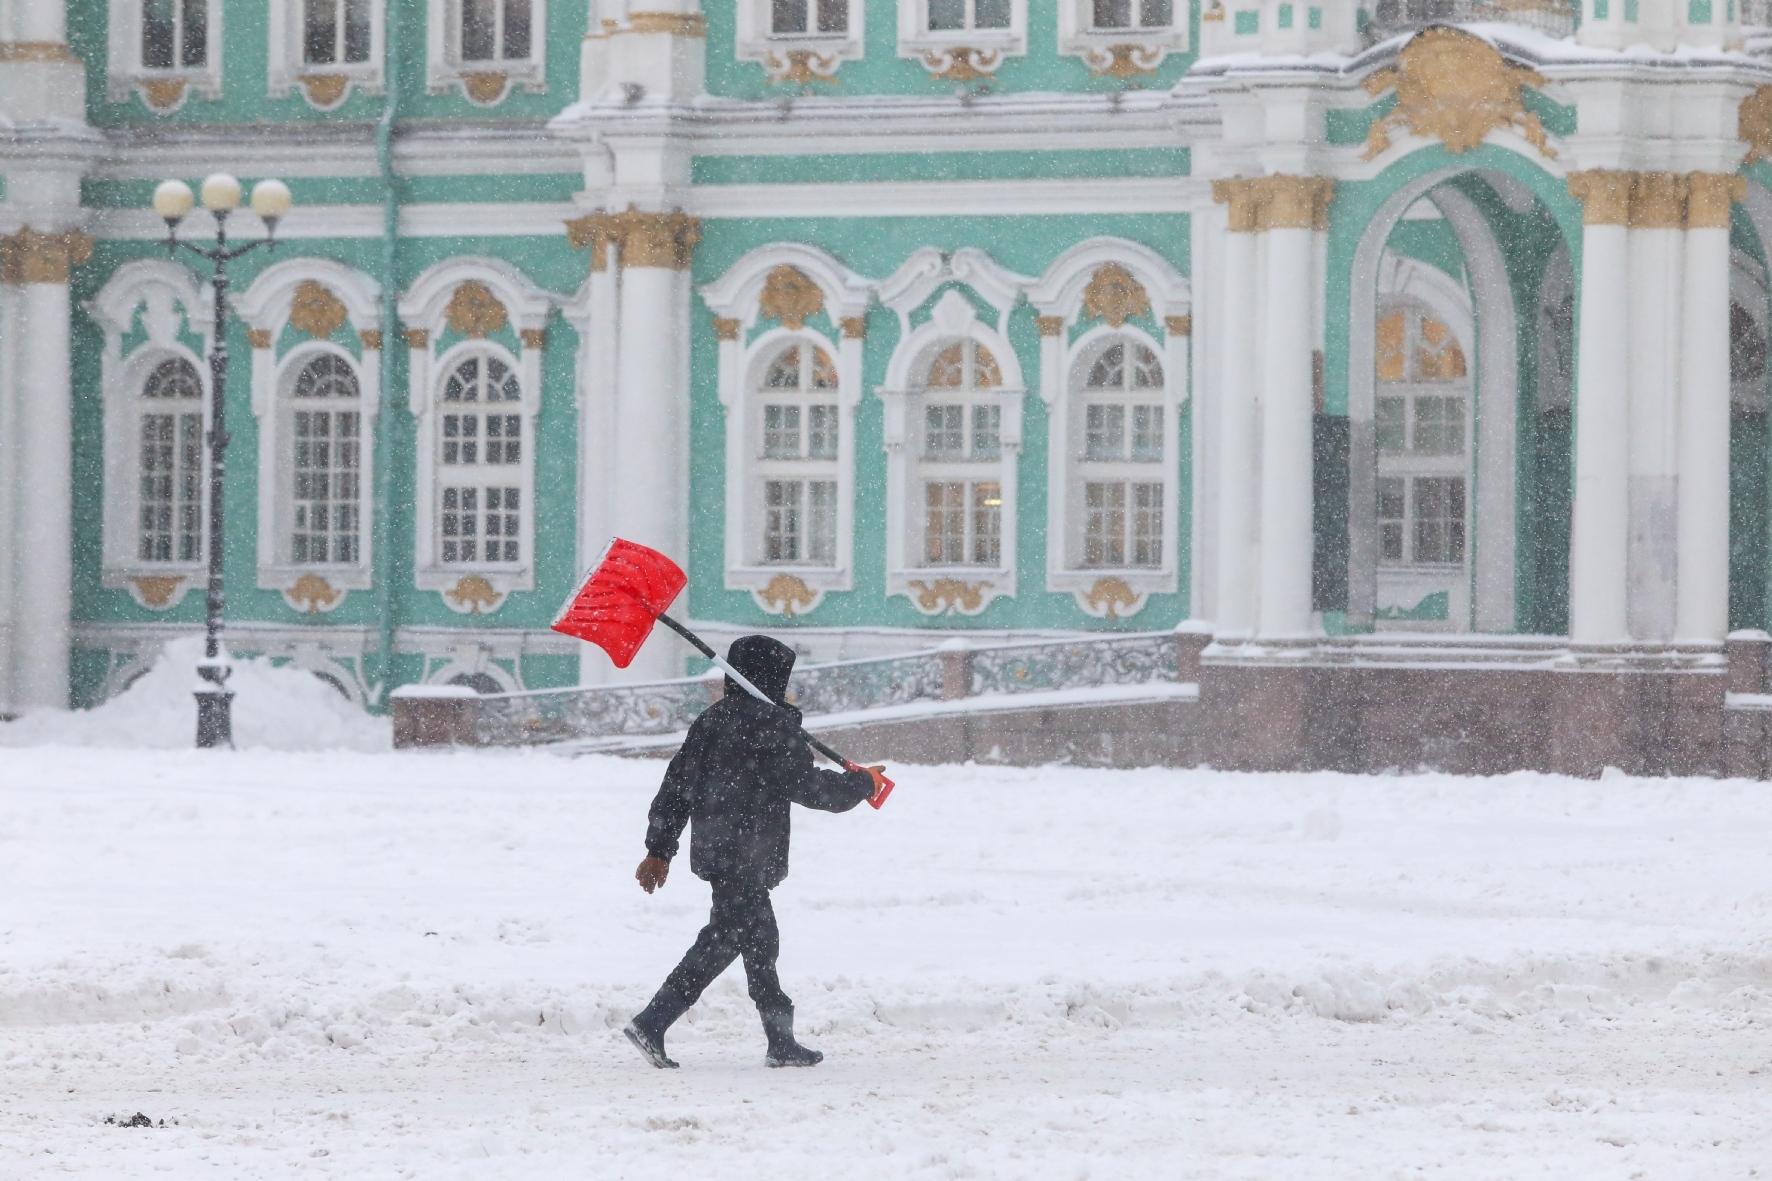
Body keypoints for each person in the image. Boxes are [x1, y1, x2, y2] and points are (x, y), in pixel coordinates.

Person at [623, 634, 888, 1069]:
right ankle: (652, 1021)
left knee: (758, 942)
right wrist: (863, 784)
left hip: (719, 852)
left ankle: (780, 1043)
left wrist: (660, 849)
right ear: (770, 677)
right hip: (746, 855)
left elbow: (675, 786)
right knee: (724, 942)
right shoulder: (769, 725)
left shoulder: (714, 721)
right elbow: (810, 788)